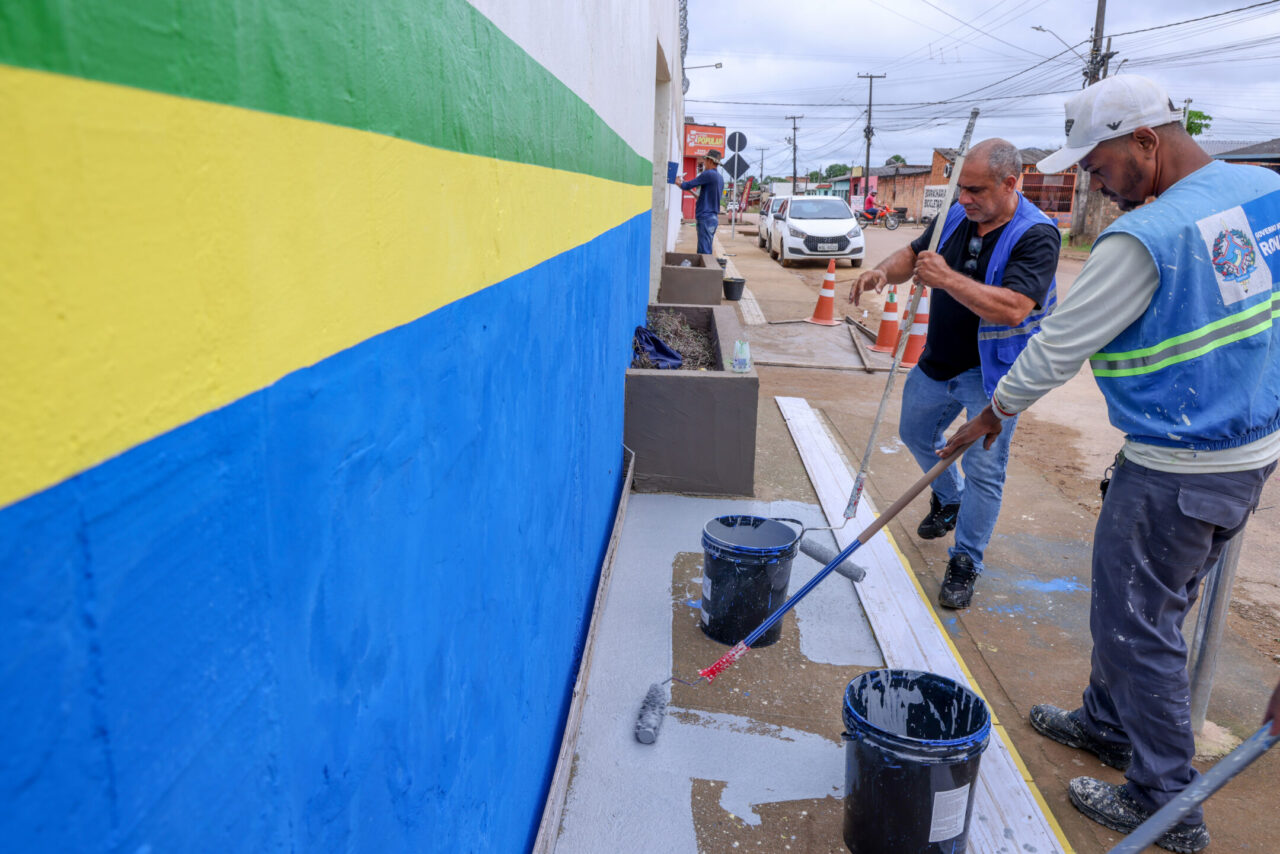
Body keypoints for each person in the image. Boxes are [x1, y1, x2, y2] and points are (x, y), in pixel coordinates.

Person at [942, 75, 1280, 853]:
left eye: (1097, 165)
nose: (1091, 180)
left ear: (1147, 143)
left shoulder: (1145, 237)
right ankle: (1104, 723)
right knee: (1144, 607)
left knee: (1140, 627)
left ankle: (1167, 806)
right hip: (1244, 450)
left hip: (1179, 466)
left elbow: (1057, 345)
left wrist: (992, 413)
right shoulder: (1261, 191)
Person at [850, 138, 1060, 609]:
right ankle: (948, 498)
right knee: (914, 431)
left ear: (1010, 183)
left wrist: (946, 279)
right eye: (960, 188)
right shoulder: (956, 219)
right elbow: (913, 253)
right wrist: (882, 272)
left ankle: (966, 560)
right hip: (937, 361)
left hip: (993, 378)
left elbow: (1014, 308)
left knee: (985, 470)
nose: (963, 199)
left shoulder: (1036, 235)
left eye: (975, 190)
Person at [677, 149, 725, 254]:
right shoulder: (720, 178)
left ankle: (706, 270)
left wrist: (679, 182)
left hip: (705, 217)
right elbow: (701, 197)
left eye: (706, 160)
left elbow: (688, 185)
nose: (704, 163)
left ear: (710, 161)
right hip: (712, 218)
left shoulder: (708, 174)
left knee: (704, 252)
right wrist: (687, 188)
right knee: (706, 249)